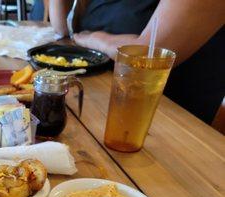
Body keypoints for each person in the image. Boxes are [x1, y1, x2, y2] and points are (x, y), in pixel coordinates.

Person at [49, 0, 225, 124]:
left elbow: (148, 55)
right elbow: (62, 30)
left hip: (162, 123)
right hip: (95, 102)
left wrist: (94, 38)